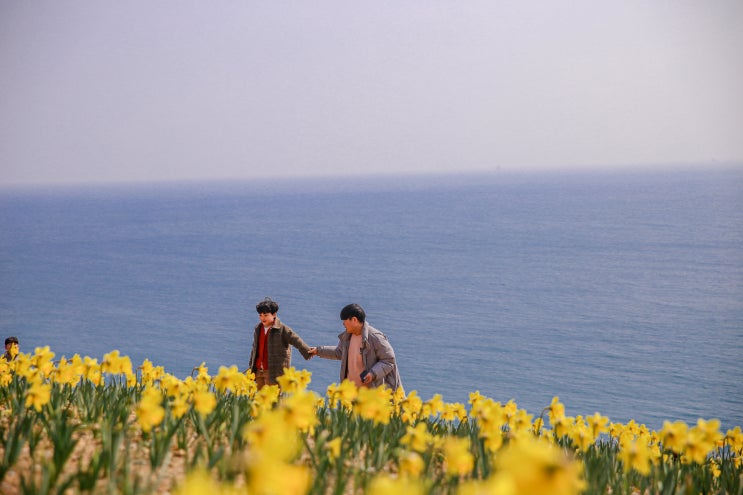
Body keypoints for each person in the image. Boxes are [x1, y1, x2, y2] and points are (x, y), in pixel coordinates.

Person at [309, 303, 403, 391]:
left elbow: (389, 360)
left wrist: (373, 374)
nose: (343, 324)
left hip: (371, 394)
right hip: (351, 393)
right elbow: (339, 352)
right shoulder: (347, 336)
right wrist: (318, 350)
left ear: (354, 320)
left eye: (344, 321)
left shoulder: (375, 337)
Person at [248, 297, 313, 389]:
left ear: (274, 314)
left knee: (274, 400)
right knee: (260, 399)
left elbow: (296, 340)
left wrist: (308, 351)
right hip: (258, 371)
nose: (262, 318)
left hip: (274, 372)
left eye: (265, 315)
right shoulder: (258, 329)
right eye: (260, 315)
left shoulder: (282, 329)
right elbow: (255, 349)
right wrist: (251, 367)